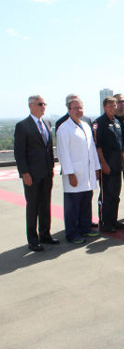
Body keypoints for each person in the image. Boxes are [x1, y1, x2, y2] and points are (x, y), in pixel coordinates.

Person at [14, 95, 58, 252]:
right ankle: (32, 239)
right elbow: (19, 152)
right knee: (33, 206)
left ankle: (45, 234)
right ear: (31, 105)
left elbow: (48, 148)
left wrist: (51, 168)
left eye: (45, 103)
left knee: (45, 205)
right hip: (32, 174)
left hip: (46, 172)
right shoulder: (23, 126)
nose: (43, 106)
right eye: (40, 104)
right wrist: (24, 172)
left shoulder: (47, 123)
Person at [57, 98, 101, 244]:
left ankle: (85, 228)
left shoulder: (86, 126)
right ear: (69, 110)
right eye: (75, 108)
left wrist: (96, 168)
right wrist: (70, 173)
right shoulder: (64, 128)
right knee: (72, 206)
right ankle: (72, 234)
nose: (78, 111)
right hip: (74, 174)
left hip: (87, 173)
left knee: (86, 202)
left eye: (80, 108)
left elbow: (92, 150)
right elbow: (63, 153)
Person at [93, 97, 124, 233]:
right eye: (110, 106)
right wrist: (103, 163)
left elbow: (120, 144)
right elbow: (98, 145)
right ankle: (105, 222)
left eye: (114, 105)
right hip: (106, 163)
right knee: (106, 194)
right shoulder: (99, 123)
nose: (113, 108)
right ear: (104, 107)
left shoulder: (117, 122)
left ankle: (113, 219)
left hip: (117, 163)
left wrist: (123, 161)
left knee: (115, 193)